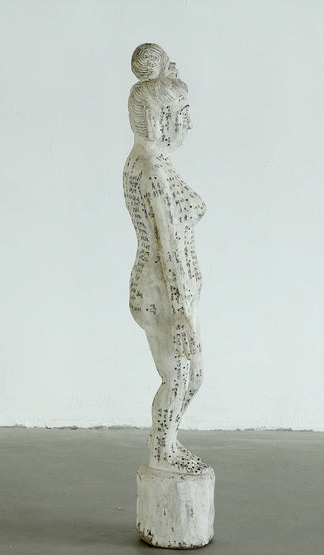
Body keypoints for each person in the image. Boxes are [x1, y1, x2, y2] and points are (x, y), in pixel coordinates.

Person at [123, 44, 208, 474]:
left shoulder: (151, 162)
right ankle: (163, 451)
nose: (189, 123)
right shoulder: (153, 172)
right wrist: (182, 313)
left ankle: (165, 441)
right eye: (183, 114)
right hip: (163, 294)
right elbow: (169, 247)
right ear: (161, 119)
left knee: (191, 377)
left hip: (167, 291)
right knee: (179, 378)